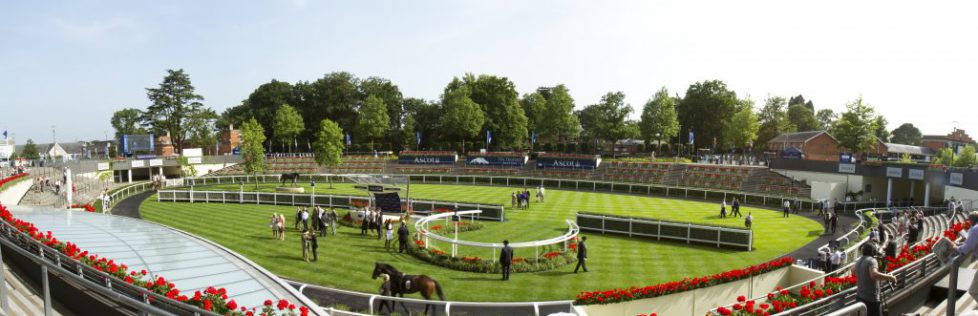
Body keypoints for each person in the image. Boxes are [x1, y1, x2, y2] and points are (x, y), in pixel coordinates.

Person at [851, 243, 897, 316]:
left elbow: (853, 271)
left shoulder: (858, 261)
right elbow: (874, 275)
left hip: (859, 297)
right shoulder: (872, 261)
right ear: (873, 252)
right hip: (871, 299)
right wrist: (891, 277)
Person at [952, 212, 978, 301]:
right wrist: (961, 243)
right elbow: (974, 243)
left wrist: (956, 248)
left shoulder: (975, 229)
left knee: (973, 291)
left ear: (971, 220)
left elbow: (966, 248)